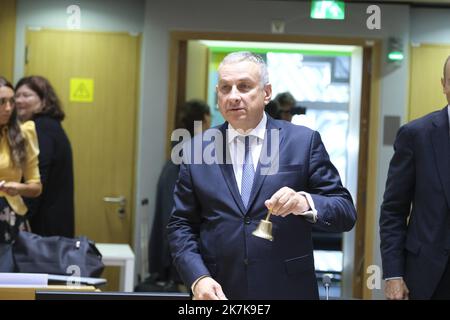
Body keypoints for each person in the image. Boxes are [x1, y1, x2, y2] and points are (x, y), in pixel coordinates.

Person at [167, 52, 356, 300]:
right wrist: (197, 278)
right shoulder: (196, 150)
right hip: (219, 291)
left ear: (266, 93)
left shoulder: (302, 142)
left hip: (287, 289)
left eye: (244, 86)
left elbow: (344, 212)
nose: (234, 96)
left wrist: (304, 202)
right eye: (225, 88)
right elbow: (180, 225)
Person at [380, 56, 450, 300]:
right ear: (444, 85)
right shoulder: (416, 135)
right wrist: (393, 275)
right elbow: (393, 211)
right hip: (426, 276)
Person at [147, 99, 210, 291]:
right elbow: (175, 216)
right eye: (207, 123)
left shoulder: (180, 151)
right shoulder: (190, 155)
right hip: (178, 256)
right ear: (202, 122)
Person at [14, 76, 74, 237]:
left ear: (44, 100)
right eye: (16, 96)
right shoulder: (50, 126)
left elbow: (37, 178)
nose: (19, 100)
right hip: (53, 227)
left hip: (42, 229)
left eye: (26, 95)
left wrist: (19, 221)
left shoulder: (40, 129)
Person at [0, 77, 42, 243]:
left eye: (11, 101)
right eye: (2, 102)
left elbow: (36, 187)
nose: (8, 108)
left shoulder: (23, 134)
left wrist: (19, 187)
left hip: (11, 217)